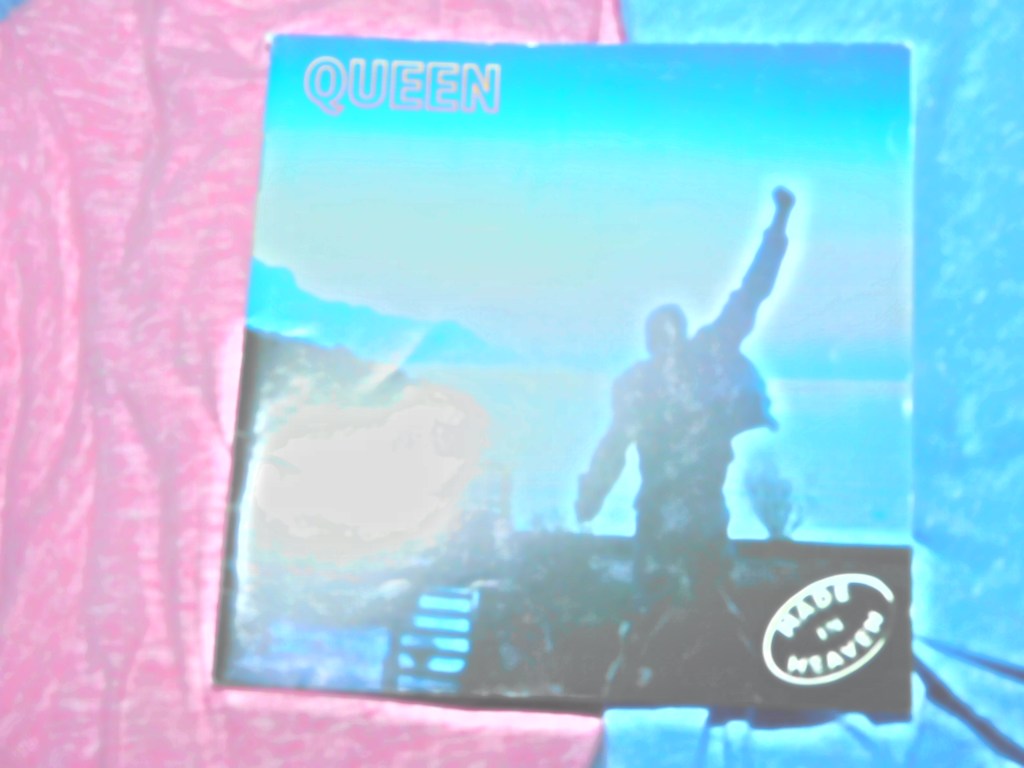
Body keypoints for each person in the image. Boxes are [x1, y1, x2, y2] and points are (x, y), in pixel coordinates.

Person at [576, 187, 796, 629]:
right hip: (684, 519)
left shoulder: (651, 379)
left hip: (680, 520)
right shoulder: (687, 366)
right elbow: (751, 294)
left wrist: (590, 499)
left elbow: (612, 449)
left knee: (673, 615)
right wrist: (779, 221)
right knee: (692, 615)